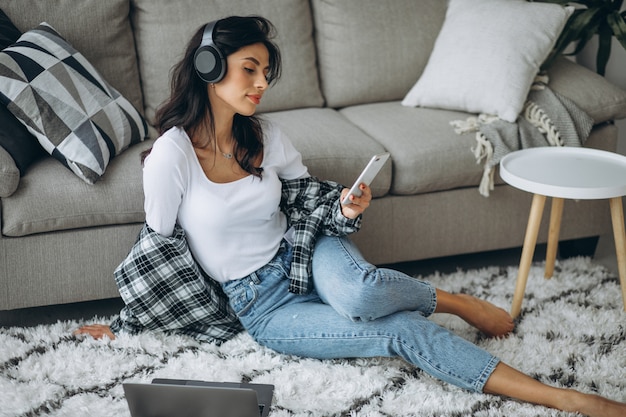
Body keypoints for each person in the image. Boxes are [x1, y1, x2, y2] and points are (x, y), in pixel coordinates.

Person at [75, 16, 626, 417]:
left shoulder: (264, 136)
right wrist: (125, 324)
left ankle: (501, 343)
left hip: (303, 252)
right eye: (250, 69)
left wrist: (341, 205)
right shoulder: (172, 155)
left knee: (362, 293)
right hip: (260, 307)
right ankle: (534, 373)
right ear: (209, 68)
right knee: (397, 334)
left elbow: (305, 196)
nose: (263, 83)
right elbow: (157, 251)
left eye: (266, 71)